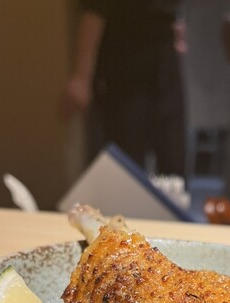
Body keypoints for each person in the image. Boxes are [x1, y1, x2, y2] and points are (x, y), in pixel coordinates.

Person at [62, 0, 187, 176]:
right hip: (125, 60)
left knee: (173, 158)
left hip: (164, 55)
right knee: (128, 162)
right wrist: (82, 77)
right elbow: (94, 10)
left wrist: (176, 20)